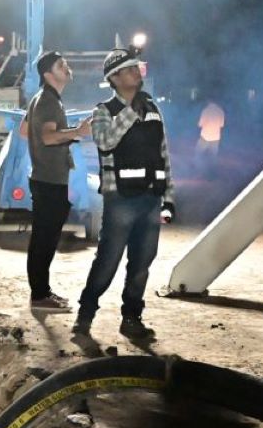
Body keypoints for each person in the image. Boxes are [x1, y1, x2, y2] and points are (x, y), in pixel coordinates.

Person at [73, 45, 173, 341]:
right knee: (107, 262)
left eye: (136, 67)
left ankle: (132, 319)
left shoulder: (153, 109)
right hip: (121, 201)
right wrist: (131, 111)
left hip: (150, 199)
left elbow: (164, 155)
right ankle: (85, 315)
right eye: (129, 69)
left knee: (142, 264)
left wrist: (169, 198)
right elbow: (105, 141)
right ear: (115, 78)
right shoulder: (103, 112)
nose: (136, 72)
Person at [23, 51, 84, 310]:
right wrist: (77, 132)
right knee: (44, 240)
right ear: (49, 75)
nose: (66, 67)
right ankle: (40, 296)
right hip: (49, 180)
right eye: (61, 65)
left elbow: (25, 131)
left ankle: (42, 291)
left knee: (43, 238)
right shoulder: (48, 101)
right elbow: (47, 137)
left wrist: (61, 137)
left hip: (44, 177)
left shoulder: (42, 99)